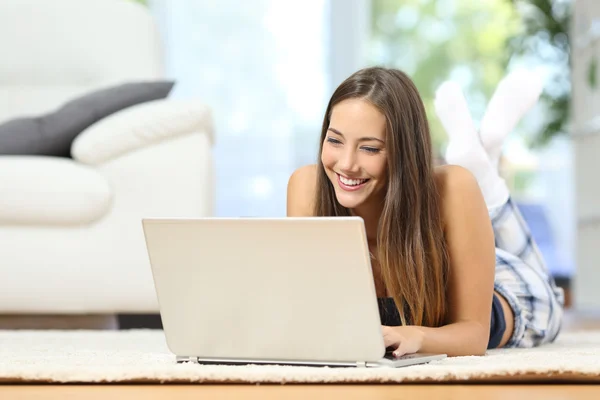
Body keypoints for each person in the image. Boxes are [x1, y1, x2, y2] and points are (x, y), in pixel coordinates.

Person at [286, 67, 564, 357]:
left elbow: (474, 334)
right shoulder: (307, 187)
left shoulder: (454, 188)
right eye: (334, 140)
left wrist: (417, 336)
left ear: (404, 152)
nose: (346, 164)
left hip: (511, 289)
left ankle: (488, 178)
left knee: (550, 295)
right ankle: (487, 157)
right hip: (455, 256)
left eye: (369, 148)